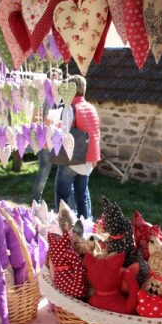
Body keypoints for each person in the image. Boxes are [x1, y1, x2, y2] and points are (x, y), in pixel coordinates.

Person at [54, 75, 100, 219]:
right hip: (88, 159)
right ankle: (85, 226)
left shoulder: (70, 108)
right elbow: (96, 133)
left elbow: (64, 133)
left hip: (72, 159)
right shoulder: (91, 108)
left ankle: (64, 225)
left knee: (62, 196)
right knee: (82, 196)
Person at [32, 68, 62, 203]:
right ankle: (36, 200)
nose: (57, 81)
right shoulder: (44, 97)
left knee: (59, 172)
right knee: (44, 169)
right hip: (44, 139)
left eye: (60, 78)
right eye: (55, 78)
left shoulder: (60, 97)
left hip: (57, 138)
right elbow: (36, 119)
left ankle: (58, 201)